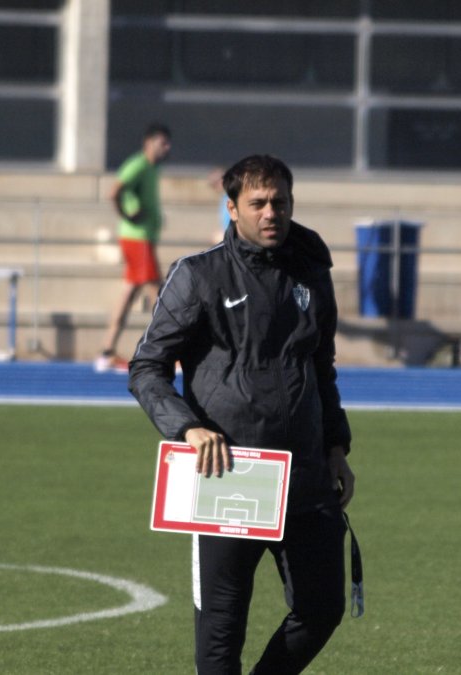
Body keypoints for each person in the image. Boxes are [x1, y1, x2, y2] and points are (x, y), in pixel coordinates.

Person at [129, 154, 356, 674]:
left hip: (304, 474)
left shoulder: (312, 270)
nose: (270, 212)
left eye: (279, 201)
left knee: (322, 610)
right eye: (257, 203)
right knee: (221, 636)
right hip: (229, 473)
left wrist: (337, 447)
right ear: (232, 208)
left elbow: (322, 366)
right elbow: (146, 368)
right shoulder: (198, 276)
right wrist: (187, 427)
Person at [96, 123, 173, 373]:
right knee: (159, 296)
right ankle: (169, 352)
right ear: (148, 142)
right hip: (137, 239)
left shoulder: (152, 168)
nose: (166, 148)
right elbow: (114, 192)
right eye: (162, 142)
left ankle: (106, 350)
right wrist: (126, 215)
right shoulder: (138, 165)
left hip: (143, 238)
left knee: (129, 294)